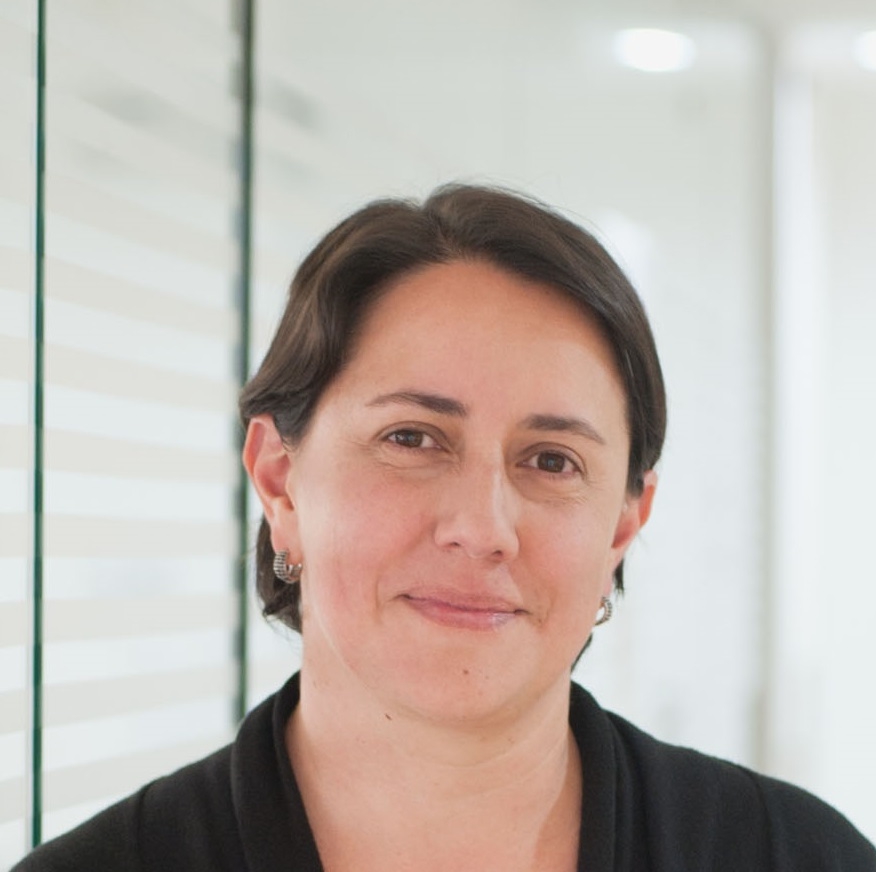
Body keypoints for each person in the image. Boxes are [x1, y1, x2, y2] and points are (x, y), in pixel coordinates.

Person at [14, 184, 875, 871]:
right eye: (412, 439)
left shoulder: (795, 857)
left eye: (551, 460)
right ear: (279, 480)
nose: (481, 528)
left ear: (623, 525)